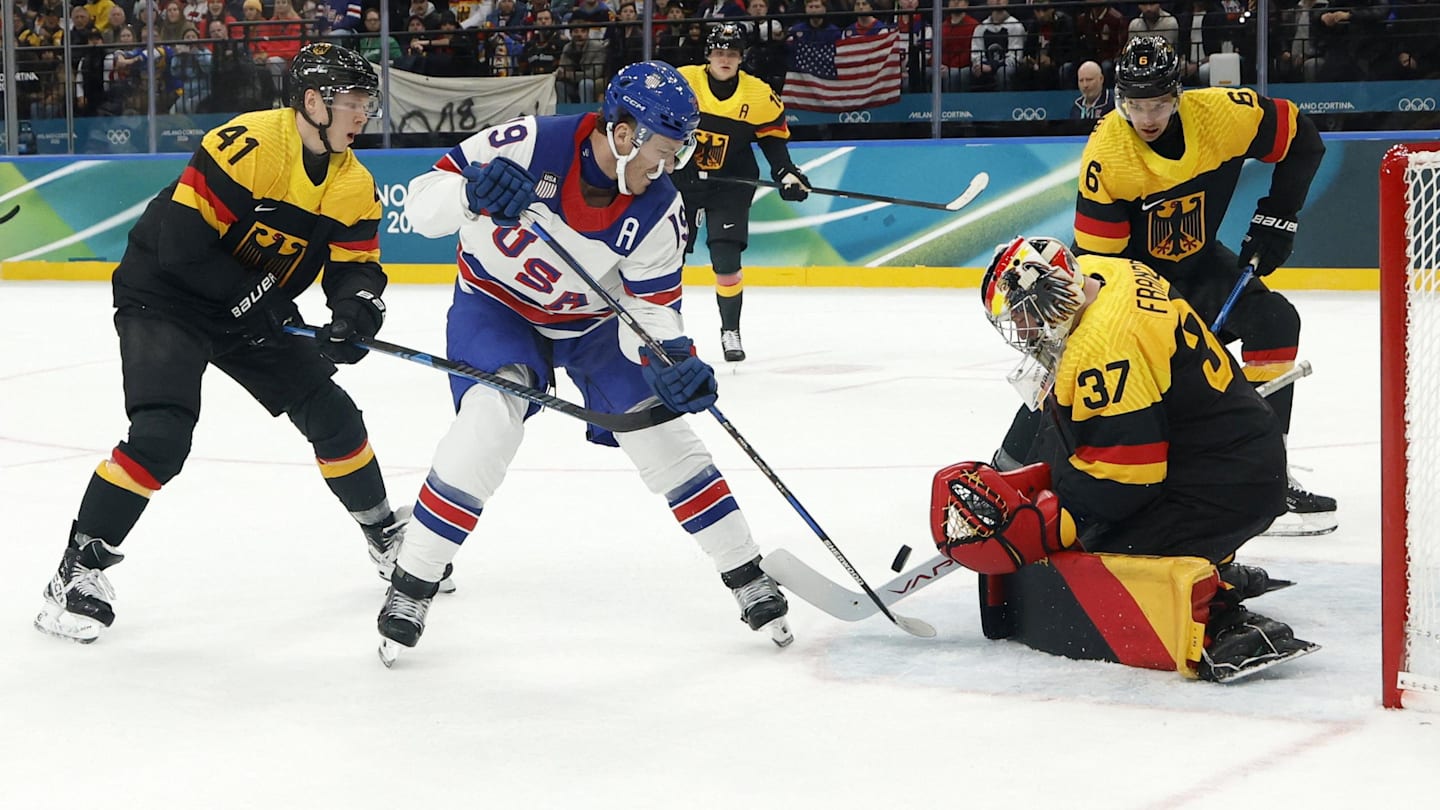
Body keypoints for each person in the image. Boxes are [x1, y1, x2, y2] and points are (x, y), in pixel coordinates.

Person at [387, 60, 792, 663]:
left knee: (663, 432)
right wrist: (470, 193)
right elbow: (421, 206)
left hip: (591, 326)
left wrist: (673, 359)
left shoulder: (658, 207)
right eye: (662, 151)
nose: (668, 167)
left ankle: (746, 573)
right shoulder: (527, 143)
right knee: (487, 427)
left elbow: (652, 312)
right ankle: (412, 582)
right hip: (496, 308)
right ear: (623, 132)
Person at [33, 43, 438, 645]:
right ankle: (78, 570)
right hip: (164, 297)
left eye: (366, 102)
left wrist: (354, 313)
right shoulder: (247, 144)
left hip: (248, 308)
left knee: (333, 415)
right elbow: (181, 248)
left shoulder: (353, 182)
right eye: (352, 101)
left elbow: (358, 266)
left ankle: (383, 534)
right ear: (312, 103)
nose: (363, 114)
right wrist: (264, 303)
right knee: (161, 436)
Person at [938, 235, 1316, 682]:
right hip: (1221, 449)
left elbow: (1126, 479)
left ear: (1053, 294)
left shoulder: (1105, 347)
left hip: (1230, 482)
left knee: (1095, 552)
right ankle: (1208, 557)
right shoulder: (1106, 272)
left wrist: (1047, 523)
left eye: (1023, 315)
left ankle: (1218, 617)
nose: (1022, 331)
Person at [1068, 35, 1334, 535]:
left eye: (1159, 104)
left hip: (1200, 264)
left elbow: (1303, 138)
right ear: (1119, 101)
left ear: (1179, 95)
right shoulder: (1108, 153)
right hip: (1138, 282)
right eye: (1135, 106)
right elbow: (1100, 264)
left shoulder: (1223, 116)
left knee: (1274, 322)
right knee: (1176, 377)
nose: (1147, 118)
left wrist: (1279, 216)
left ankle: (1265, 477)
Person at [671, 22, 810, 362]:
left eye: (732, 54)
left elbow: (774, 139)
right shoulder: (683, 81)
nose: (725, 59)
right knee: (669, 258)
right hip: (682, 182)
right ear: (708, 55)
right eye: (719, 52)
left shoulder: (758, 94)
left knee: (727, 258)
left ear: (741, 58)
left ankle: (729, 330)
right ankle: (666, 331)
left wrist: (786, 172)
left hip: (730, 182)